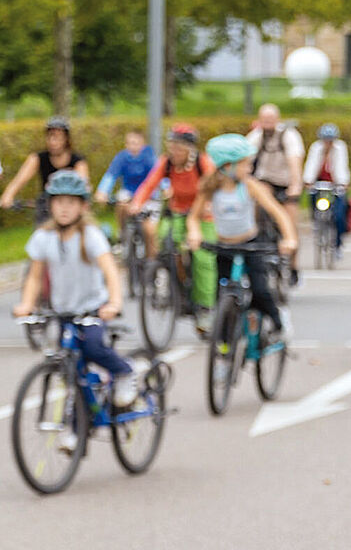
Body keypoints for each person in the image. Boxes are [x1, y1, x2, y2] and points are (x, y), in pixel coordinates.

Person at [14, 171, 137, 434]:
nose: (64, 208)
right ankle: (77, 427)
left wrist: (113, 302)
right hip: (64, 312)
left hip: (92, 309)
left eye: (71, 202)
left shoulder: (89, 236)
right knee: (70, 370)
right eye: (59, 202)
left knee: (93, 347)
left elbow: (110, 271)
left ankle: (125, 372)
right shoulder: (43, 238)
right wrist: (26, 303)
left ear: (83, 206)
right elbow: (35, 277)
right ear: (50, 205)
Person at [187, 134, 297, 342]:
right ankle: (225, 346)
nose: (249, 169)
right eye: (245, 164)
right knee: (222, 297)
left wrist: (289, 238)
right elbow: (193, 217)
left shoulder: (249, 186)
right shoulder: (210, 187)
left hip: (250, 245)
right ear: (227, 166)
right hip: (224, 247)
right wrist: (195, 233)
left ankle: (278, 322)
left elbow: (278, 212)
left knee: (260, 291)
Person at [130, 124, 217, 332]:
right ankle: (169, 284)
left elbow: (214, 186)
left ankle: (204, 307)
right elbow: (149, 185)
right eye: (172, 147)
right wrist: (136, 204)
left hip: (201, 216)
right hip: (177, 211)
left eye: (179, 148)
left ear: (189, 148)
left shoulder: (202, 163)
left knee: (203, 257)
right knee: (164, 242)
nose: (174, 152)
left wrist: (209, 204)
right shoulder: (166, 162)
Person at [246, 103, 305, 286]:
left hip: (286, 182)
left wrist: (295, 185)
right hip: (266, 181)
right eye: (264, 120)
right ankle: (258, 236)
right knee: (257, 203)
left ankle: (293, 265)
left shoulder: (289, 136)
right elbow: (245, 160)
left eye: (270, 120)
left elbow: (294, 160)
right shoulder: (256, 136)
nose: (267, 124)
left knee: (291, 222)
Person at [0, 117, 89, 226]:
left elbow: (83, 185)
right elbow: (19, 180)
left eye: (57, 137)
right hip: (46, 208)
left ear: (66, 139)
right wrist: (8, 195)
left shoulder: (78, 161)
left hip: (70, 207)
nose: (53, 142)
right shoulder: (37, 158)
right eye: (50, 137)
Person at [94, 130, 158, 255]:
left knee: (150, 232)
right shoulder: (122, 157)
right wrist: (102, 192)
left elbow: (158, 174)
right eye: (130, 143)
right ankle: (122, 236)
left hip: (148, 196)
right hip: (129, 193)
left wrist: (166, 188)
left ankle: (152, 263)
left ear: (142, 144)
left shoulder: (149, 156)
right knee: (121, 204)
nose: (133, 146)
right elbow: (111, 175)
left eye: (136, 143)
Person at [302, 123, 351, 255]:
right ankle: (315, 221)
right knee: (313, 196)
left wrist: (343, 183)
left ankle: (338, 244)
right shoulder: (316, 148)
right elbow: (311, 165)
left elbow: (342, 166)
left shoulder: (340, 148)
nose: (328, 143)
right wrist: (308, 180)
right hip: (319, 183)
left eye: (330, 140)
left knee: (340, 214)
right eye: (325, 140)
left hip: (335, 184)